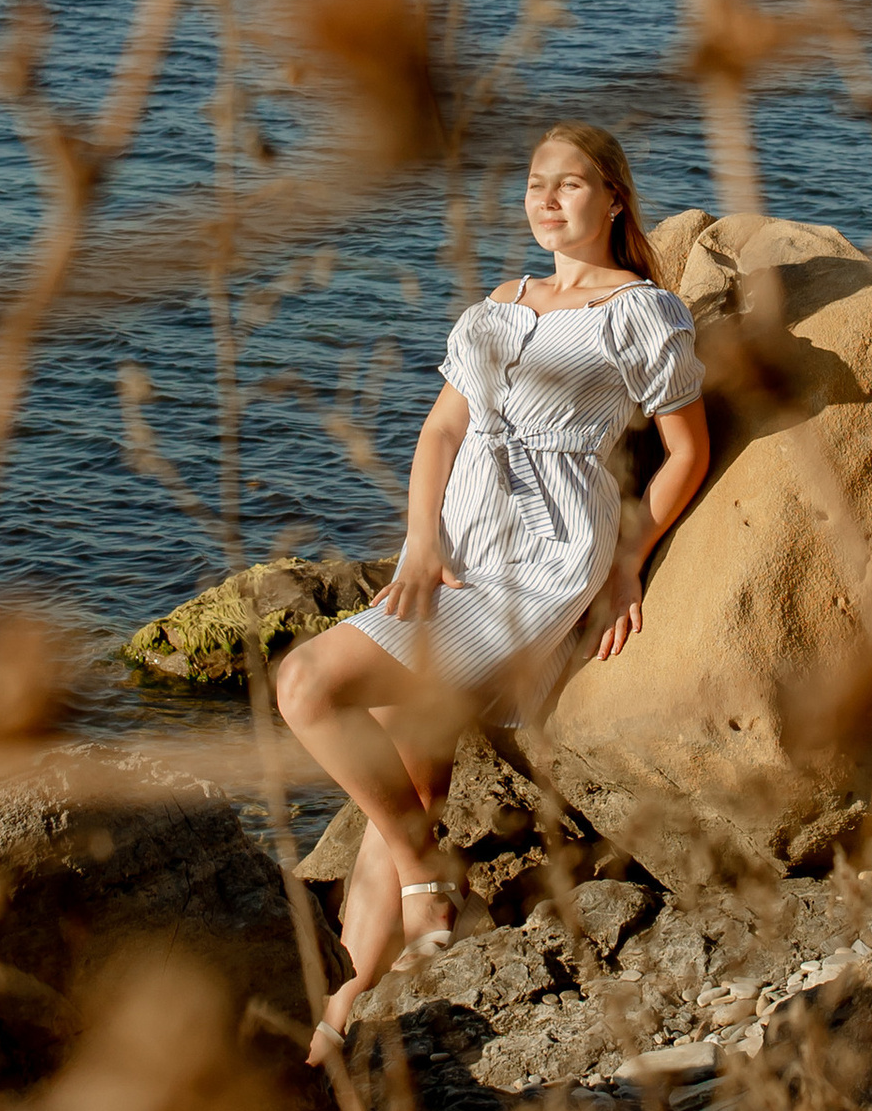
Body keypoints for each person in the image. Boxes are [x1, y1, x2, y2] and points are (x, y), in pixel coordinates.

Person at [274, 122, 711, 1060]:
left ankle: (427, 877)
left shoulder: (641, 313)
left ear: (615, 199)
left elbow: (686, 453)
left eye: (570, 184)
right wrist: (421, 540)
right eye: (533, 184)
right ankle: (339, 1012)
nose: (546, 200)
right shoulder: (495, 310)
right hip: (447, 553)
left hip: (540, 561)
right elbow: (439, 437)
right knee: (410, 778)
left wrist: (632, 556)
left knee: (305, 684)